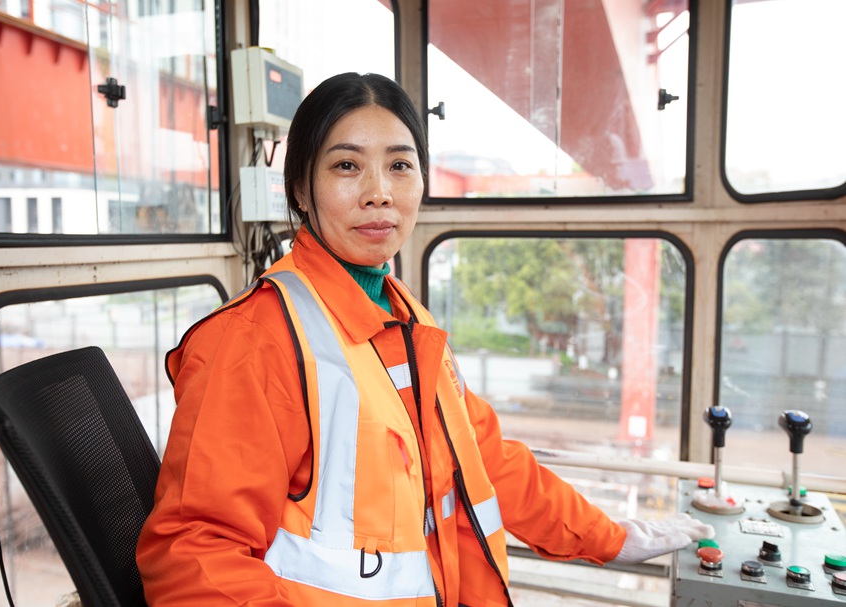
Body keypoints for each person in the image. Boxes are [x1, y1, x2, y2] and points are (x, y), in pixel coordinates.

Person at [136, 72, 713, 606]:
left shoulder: (403, 315)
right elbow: (196, 557)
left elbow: (484, 460)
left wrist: (608, 537)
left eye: (400, 165)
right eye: (346, 166)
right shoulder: (254, 339)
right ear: (300, 191)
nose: (378, 192)